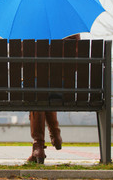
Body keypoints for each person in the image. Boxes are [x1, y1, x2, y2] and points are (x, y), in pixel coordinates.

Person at [27, 34, 80, 164]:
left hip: (36, 86)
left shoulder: (30, 28)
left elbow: (23, 62)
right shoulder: (71, 29)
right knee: (44, 91)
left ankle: (38, 146)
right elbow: (77, 63)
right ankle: (55, 134)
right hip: (64, 88)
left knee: (38, 93)